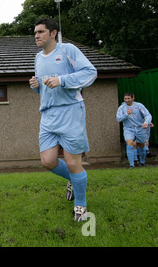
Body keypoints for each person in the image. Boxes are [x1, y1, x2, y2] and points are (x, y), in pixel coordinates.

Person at [29, 17, 97, 222]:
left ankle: (81, 205)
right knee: (48, 161)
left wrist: (63, 80)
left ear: (53, 33)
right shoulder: (38, 58)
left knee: (73, 162)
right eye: (35, 33)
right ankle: (73, 181)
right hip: (47, 115)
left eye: (41, 32)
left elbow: (90, 73)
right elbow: (46, 87)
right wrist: (36, 86)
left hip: (70, 112)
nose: (37, 36)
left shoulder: (68, 50)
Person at [116, 93, 152, 168]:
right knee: (129, 143)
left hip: (139, 127)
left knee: (141, 144)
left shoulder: (139, 106)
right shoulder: (122, 107)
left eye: (128, 98)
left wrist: (146, 122)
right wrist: (126, 114)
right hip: (128, 128)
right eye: (125, 98)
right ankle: (131, 165)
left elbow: (147, 115)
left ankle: (142, 162)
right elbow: (118, 119)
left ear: (133, 98)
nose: (127, 100)